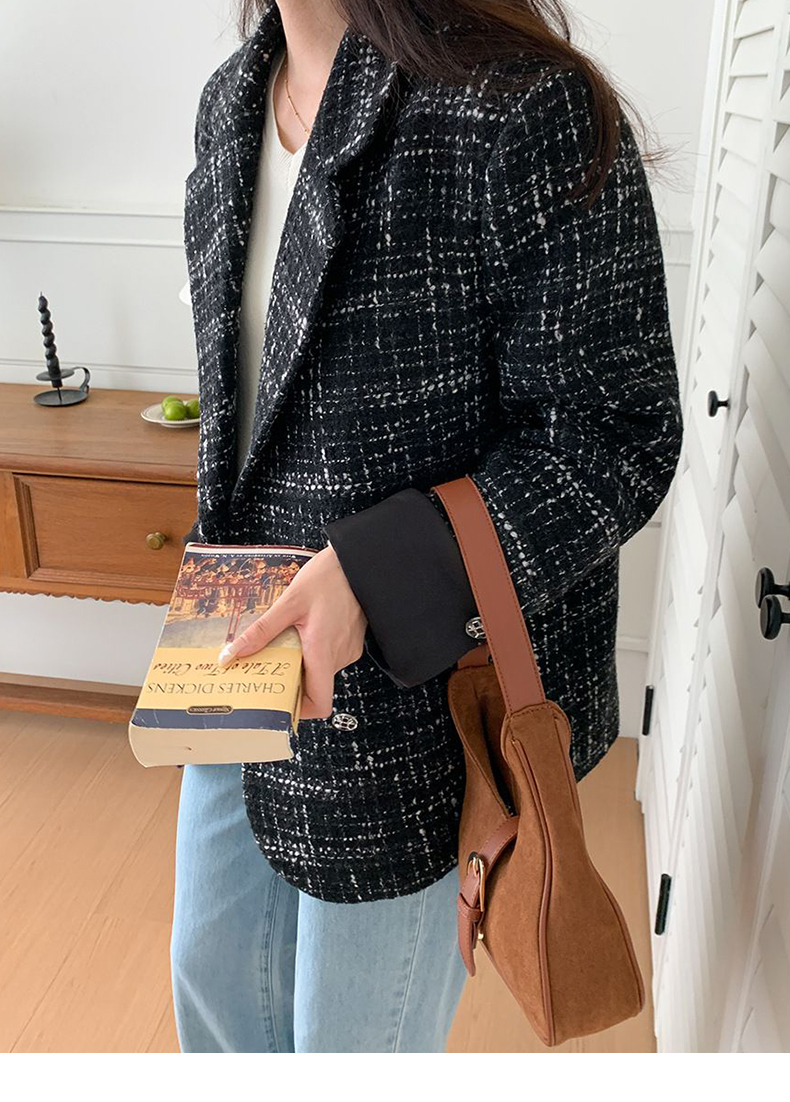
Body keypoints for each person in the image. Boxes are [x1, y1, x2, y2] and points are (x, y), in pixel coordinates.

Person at [171, 0, 683, 1052]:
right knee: (214, 1004)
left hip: (415, 722)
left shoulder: (520, 104)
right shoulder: (231, 102)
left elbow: (612, 436)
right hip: (235, 666)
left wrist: (374, 574)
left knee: (348, 1049)